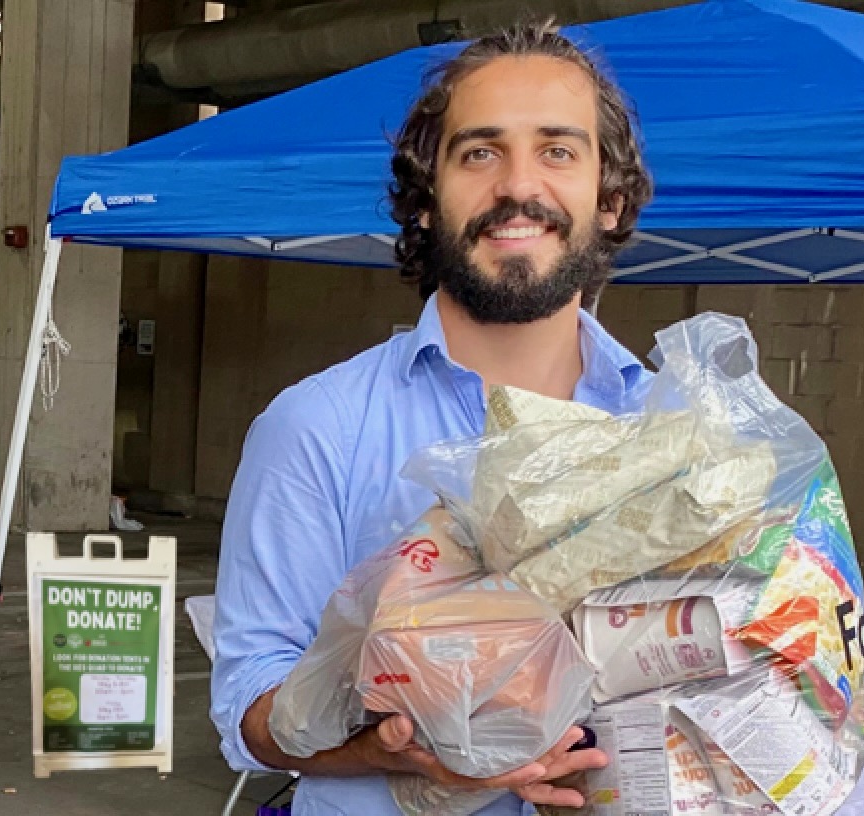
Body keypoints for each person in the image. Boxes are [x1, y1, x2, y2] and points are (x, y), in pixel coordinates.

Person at [210, 22, 657, 815]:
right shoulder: (318, 427)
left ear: (611, 201)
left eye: (558, 151)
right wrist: (404, 756)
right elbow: (252, 713)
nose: (518, 187)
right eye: (479, 152)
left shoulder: (676, 434)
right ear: (422, 205)